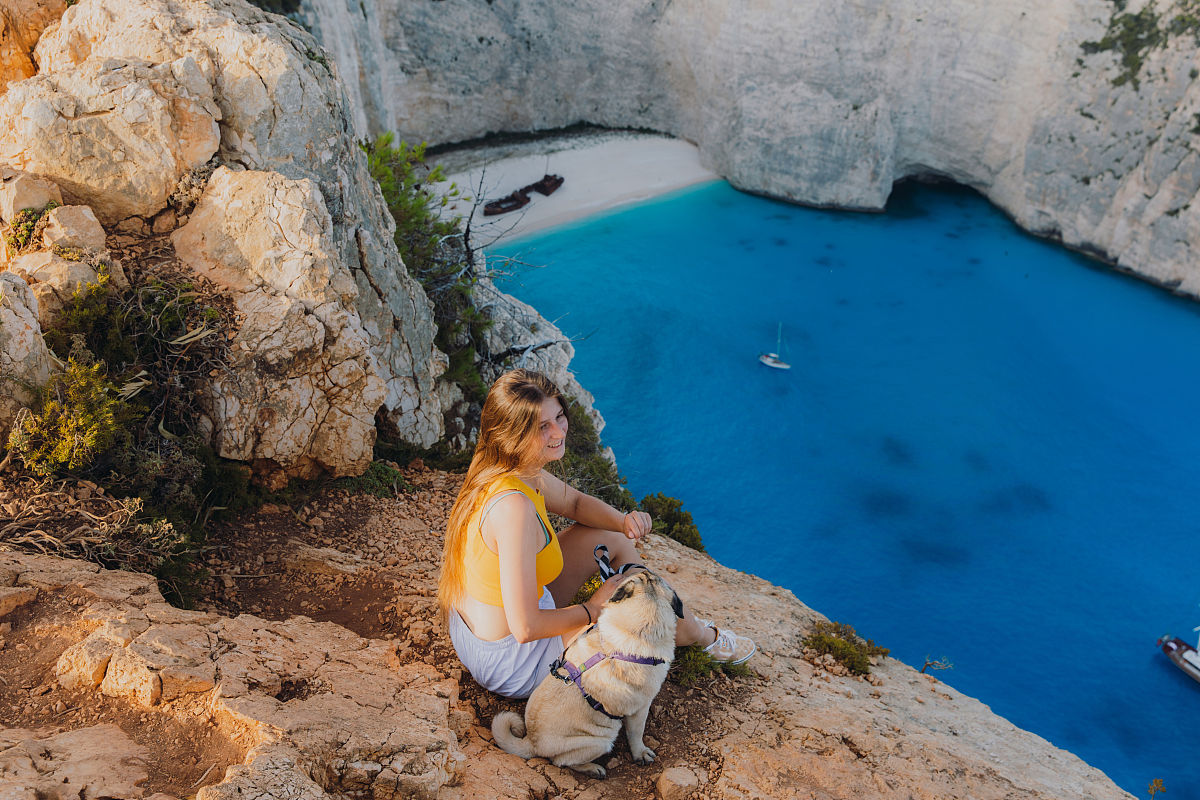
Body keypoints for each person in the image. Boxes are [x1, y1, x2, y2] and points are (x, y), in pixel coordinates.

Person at [437, 368, 756, 699]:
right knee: (652, 609)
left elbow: (574, 502)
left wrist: (623, 522)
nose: (558, 431)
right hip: (513, 662)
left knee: (613, 537)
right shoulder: (512, 508)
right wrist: (595, 608)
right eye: (541, 427)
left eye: (559, 416)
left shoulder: (507, 469)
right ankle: (700, 635)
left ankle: (659, 605)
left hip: (480, 631)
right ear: (512, 434)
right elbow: (526, 628)